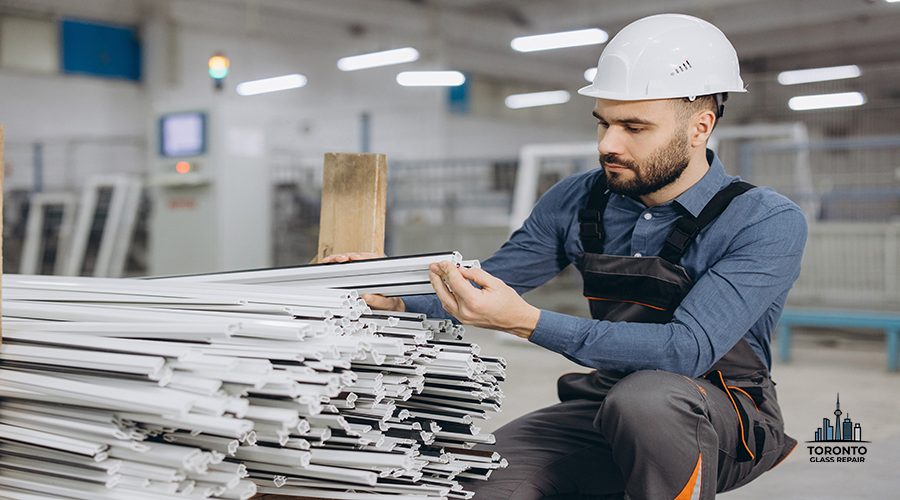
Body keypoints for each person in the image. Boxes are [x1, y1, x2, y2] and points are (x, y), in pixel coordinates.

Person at [323, 13, 807, 500]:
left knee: (647, 401)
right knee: (482, 487)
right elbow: (487, 280)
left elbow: (684, 350)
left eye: (634, 127)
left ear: (700, 127)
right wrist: (394, 293)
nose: (608, 144)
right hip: (607, 401)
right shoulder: (579, 198)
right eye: (603, 123)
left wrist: (526, 322)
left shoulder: (763, 220)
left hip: (722, 413)